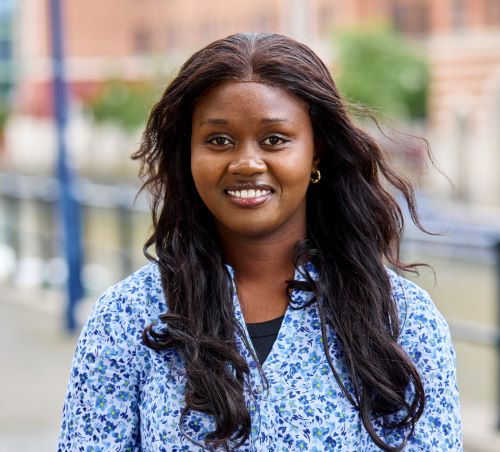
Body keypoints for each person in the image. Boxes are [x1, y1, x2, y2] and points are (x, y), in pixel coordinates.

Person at [58, 33, 461, 451]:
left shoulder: (402, 320)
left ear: (316, 152)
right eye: (218, 140)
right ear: (188, 154)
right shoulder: (126, 318)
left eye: (275, 139)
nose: (247, 162)